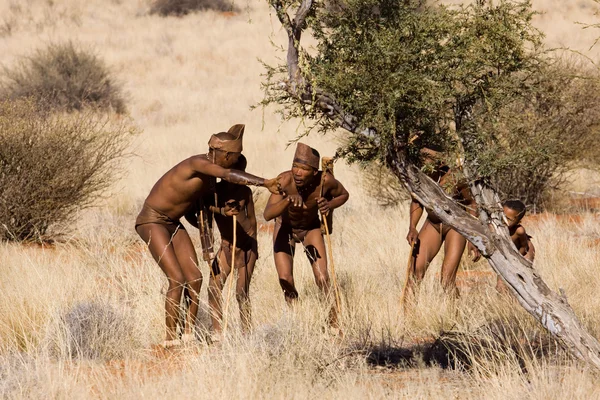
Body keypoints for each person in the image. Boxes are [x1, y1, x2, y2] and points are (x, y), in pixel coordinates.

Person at [135, 124, 280, 348]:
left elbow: (194, 213)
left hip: (172, 223)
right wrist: (265, 182)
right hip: (152, 220)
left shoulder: (210, 180)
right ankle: (170, 340)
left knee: (195, 278)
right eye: (235, 158)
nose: (235, 162)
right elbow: (227, 174)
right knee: (176, 279)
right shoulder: (199, 164)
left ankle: (189, 334)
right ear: (227, 155)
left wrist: (222, 212)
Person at [263, 143, 349, 328]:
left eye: (304, 169)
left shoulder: (325, 181)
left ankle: (333, 322)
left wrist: (329, 205)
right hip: (284, 228)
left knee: (322, 278)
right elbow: (268, 214)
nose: (298, 172)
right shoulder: (284, 181)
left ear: (315, 172)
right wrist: (286, 201)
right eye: (295, 166)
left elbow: (343, 195)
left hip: (310, 229)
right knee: (285, 279)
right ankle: (294, 322)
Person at [405, 147, 481, 298]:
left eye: (428, 165)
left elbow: (472, 203)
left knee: (446, 280)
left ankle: (455, 316)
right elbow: (416, 202)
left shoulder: (456, 178)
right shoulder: (418, 179)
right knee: (414, 274)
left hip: (455, 227)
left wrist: (473, 236)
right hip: (432, 224)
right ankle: (408, 319)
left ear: (440, 164)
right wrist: (412, 227)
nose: (424, 168)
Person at [201, 155, 258, 335]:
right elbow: (205, 208)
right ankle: (218, 333)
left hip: (247, 247)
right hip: (226, 245)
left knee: (241, 293)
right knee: (213, 288)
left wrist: (239, 216)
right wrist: (223, 212)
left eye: (239, 174)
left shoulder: (245, 192)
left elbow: (252, 225)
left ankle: (246, 334)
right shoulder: (215, 192)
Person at [496, 199, 535, 292]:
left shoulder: (519, 231)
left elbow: (524, 247)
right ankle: (503, 301)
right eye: (503, 217)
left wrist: (513, 259)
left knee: (520, 279)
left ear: (518, 221)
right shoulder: (496, 226)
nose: (504, 221)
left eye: (509, 219)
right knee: (501, 283)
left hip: (524, 253)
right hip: (509, 254)